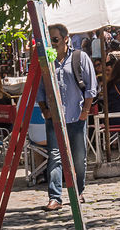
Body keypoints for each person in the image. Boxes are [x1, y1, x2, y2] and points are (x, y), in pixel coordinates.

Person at [39, 24, 96, 211]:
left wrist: (85, 111)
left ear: (65, 38)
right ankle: (55, 197)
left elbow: (91, 87)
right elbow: (40, 88)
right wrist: (44, 110)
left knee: (78, 157)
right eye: (50, 40)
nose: (52, 44)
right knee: (54, 157)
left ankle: (77, 192)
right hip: (54, 117)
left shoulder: (80, 57)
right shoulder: (47, 61)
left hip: (76, 116)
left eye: (55, 39)